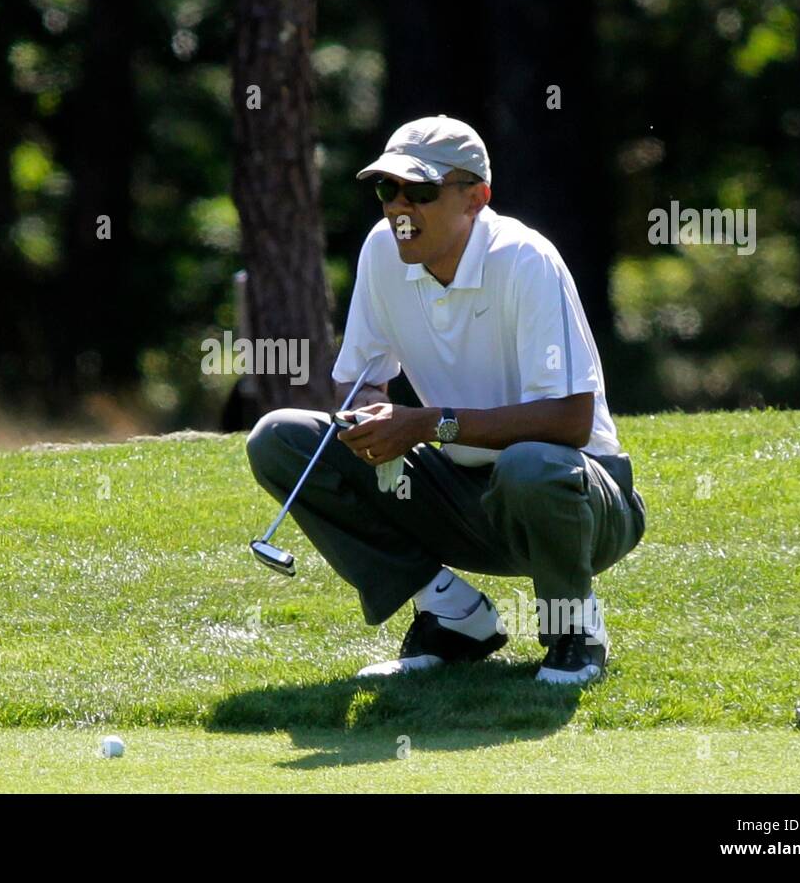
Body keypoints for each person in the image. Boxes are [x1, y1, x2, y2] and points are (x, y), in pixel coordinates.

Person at [246, 114, 647, 684]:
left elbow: (569, 421)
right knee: (281, 437)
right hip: (460, 496)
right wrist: (367, 423)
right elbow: (360, 380)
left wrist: (427, 424)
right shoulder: (383, 251)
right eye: (389, 189)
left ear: (476, 199)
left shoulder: (525, 260)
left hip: (577, 499)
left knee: (531, 463)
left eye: (422, 192)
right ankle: (453, 616)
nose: (399, 208)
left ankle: (574, 630)